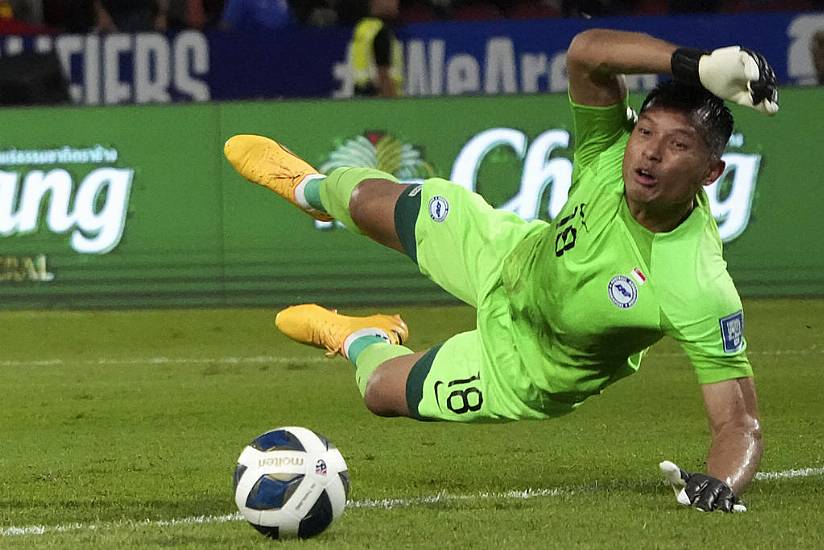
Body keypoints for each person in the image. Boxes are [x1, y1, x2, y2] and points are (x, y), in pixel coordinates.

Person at [223, 29, 778, 513]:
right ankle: (308, 189)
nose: (650, 154)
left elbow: (738, 422)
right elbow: (587, 53)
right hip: (509, 256)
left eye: (677, 144)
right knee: (368, 197)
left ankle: (360, 336)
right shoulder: (611, 149)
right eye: (647, 131)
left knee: (380, 390)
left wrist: (721, 483)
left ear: (711, 172)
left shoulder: (699, 284)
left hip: (530, 365)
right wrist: (698, 65)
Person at [348, 0, 403, 97]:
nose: (395, 3)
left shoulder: (362, 28)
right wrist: (395, 108)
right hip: (381, 102)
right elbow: (383, 76)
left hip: (362, 101)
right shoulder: (381, 31)